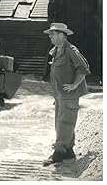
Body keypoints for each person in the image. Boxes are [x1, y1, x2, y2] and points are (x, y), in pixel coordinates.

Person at [42, 23, 90, 165]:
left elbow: (83, 68)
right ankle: (68, 151)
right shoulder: (56, 50)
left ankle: (58, 153)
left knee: (64, 123)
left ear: (62, 35)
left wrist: (74, 85)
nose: (50, 36)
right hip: (60, 95)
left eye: (52, 34)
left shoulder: (71, 50)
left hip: (69, 95)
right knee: (62, 123)